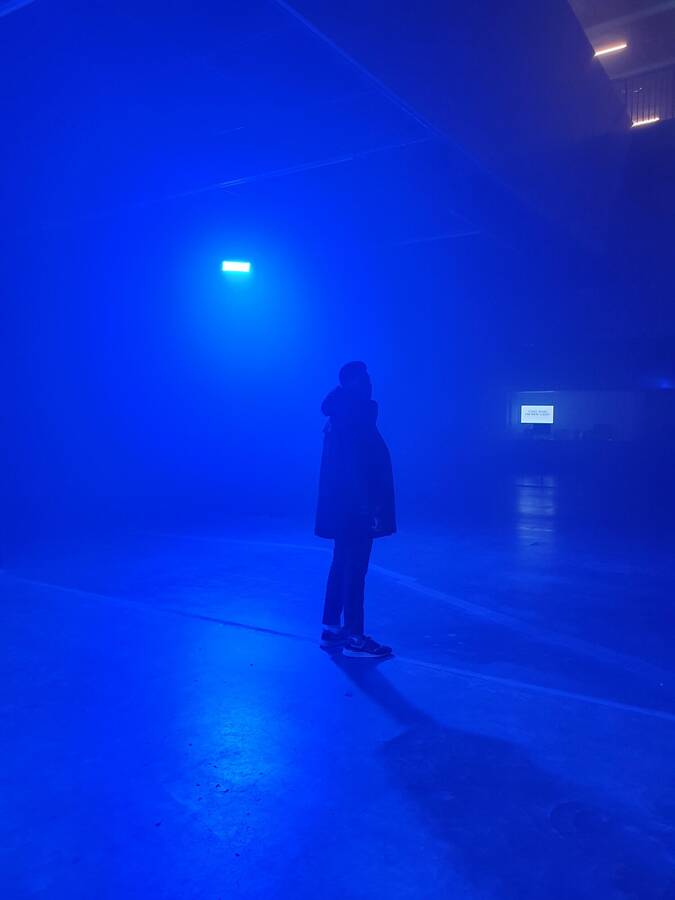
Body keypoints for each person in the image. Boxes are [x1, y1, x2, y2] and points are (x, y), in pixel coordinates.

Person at [315, 361, 396, 658]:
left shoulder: (341, 415)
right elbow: (356, 467)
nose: (370, 384)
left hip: (343, 505)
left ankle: (332, 628)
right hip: (354, 506)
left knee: (341, 563)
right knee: (355, 568)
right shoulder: (353, 417)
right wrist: (367, 506)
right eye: (364, 379)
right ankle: (355, 635)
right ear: (352, 383)